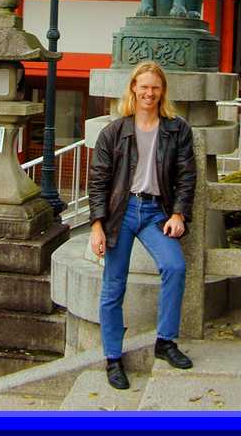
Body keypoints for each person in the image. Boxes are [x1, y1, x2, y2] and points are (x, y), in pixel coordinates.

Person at [88, 61, 196, 390]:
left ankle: (165, 342)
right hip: (121, 213)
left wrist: (178, 214)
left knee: (175, 266)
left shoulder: (177, 129)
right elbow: (98, 181)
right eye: (144, 86)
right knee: (113, 286)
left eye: (155, 87)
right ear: (133, 88)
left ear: (162, 91)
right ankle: (113, 358)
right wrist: (96, 224)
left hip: (154, 211)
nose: (149, 93)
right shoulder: (114, 131)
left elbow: (186, 176)